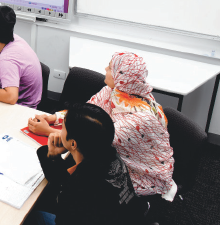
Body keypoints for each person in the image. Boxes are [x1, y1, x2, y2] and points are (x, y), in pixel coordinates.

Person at [28, 52, 176, 200]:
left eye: (110, 67)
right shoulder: (114, 91)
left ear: (122, 76)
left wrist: (48, 131)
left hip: (134, 175)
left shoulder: (138, 119)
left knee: (68, 186)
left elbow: (93, 139)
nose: (105, 68)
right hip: (109, 155)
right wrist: (53, 118)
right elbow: (84, 112)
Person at [35, 102, 143, 225]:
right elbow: (66, 180)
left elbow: (70, 193)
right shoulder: (111, 156)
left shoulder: (77, 190)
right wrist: (52, 155)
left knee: (36, 217)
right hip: (123, 220)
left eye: (63, 127)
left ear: (73, 144)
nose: (60, 131)